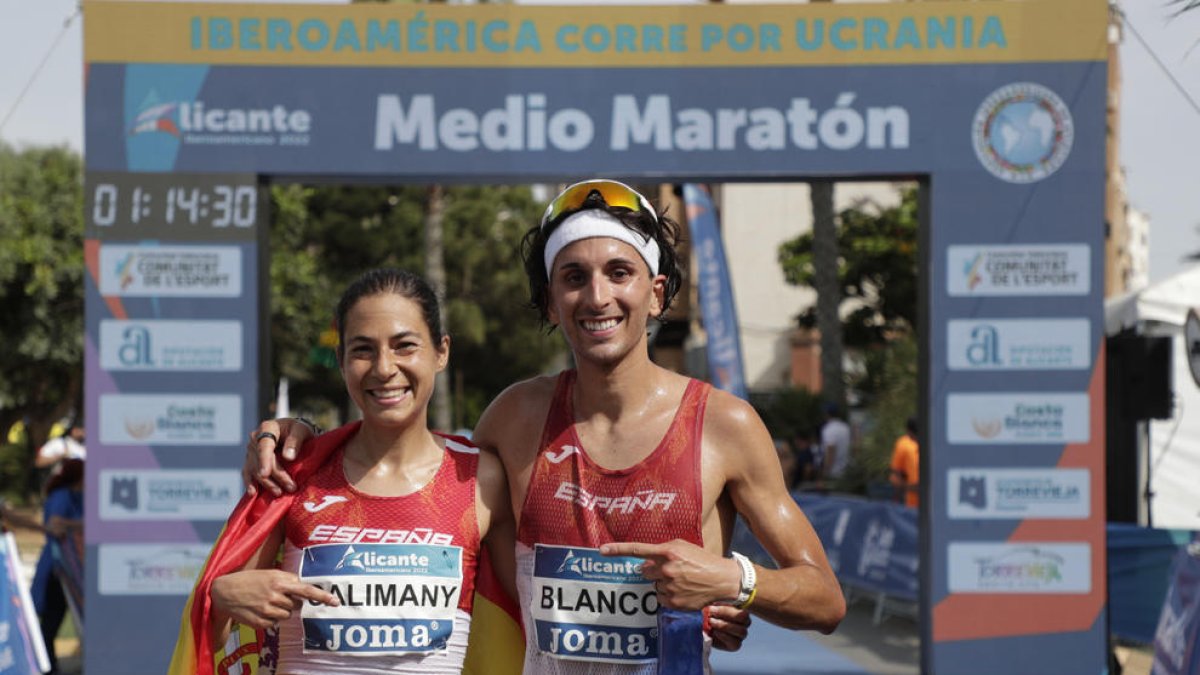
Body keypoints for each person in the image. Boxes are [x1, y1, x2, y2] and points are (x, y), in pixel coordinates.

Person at [245, 179, 844, 672]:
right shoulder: (515, 418)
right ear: (552, 301)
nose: (597, 296)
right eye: (574, 277)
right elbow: (404, 480)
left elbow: (824, 599)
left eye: (619, 272)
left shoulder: (723, 424)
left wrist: (734, 581)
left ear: (657, 294)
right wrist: (299, 435)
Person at [169, 269, 515, 675]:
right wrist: (221, 596)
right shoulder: (295, 474)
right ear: (341, 360)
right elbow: (211, 645)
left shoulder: (482, 479)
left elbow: (530, 623)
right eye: (363, 350)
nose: (384, 368)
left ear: (441, 352)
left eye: (405, 346)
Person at [30, 458, 84, 675]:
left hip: (72, 571)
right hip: (58, 570)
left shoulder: (78, 497)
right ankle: (47, 667)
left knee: (56, 620)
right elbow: (55, 525)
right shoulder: (62, 496)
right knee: (51, 621)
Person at [889, 416, 920, 508]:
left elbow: (896, 475)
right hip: (913, 505)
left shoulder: (903, 444)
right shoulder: (904, 444)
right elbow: (896, 474)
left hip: (913, 506)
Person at [819, 402, 851, 482]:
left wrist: (825, 473)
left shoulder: (829, 429)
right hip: (846, 470)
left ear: (827, 414)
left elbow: (830, 451)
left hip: (833, 473)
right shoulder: (845, 427)